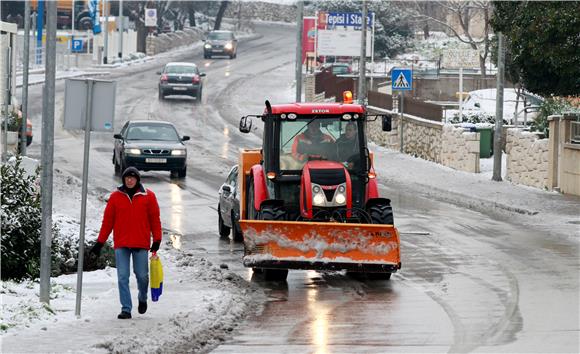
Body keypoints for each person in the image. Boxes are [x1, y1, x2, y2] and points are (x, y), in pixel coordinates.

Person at [90, 167, 162, 320]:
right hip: (122, 243)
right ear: (123, 179)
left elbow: (155, 220)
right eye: (127, 178)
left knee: (142, 276)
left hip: (140, 243)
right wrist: (99, 243)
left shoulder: (148, 196)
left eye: (132, 178)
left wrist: (157, 239)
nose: (129, 180)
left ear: (137, 179)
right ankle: (126, 308)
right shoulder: (116, 197)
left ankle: (142, 298)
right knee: (123, 277)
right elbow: (107, 222)